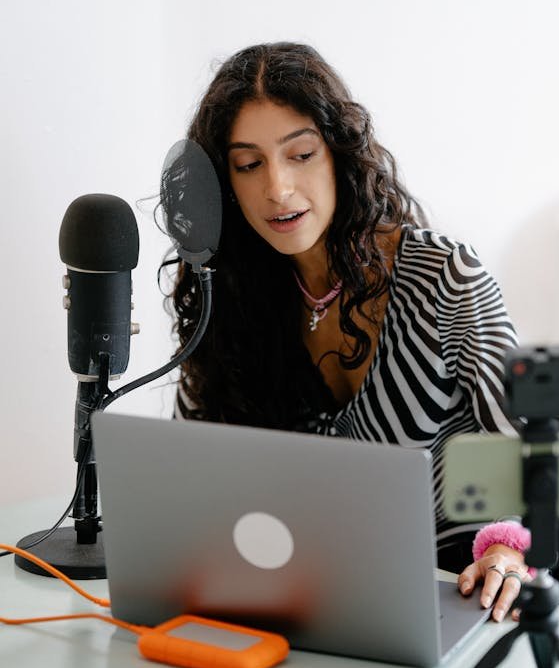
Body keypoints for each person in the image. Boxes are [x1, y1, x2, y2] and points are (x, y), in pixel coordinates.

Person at [169, 41, 532, 623]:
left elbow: (512, 434)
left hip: (459, 594)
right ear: (224, 185)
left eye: (301, 154)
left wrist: (502, 548)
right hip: (307, 602)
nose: (278, 188)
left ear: (339, 154)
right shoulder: (234, 300)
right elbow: (191, 468)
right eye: (248, 164)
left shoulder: (444, 276)